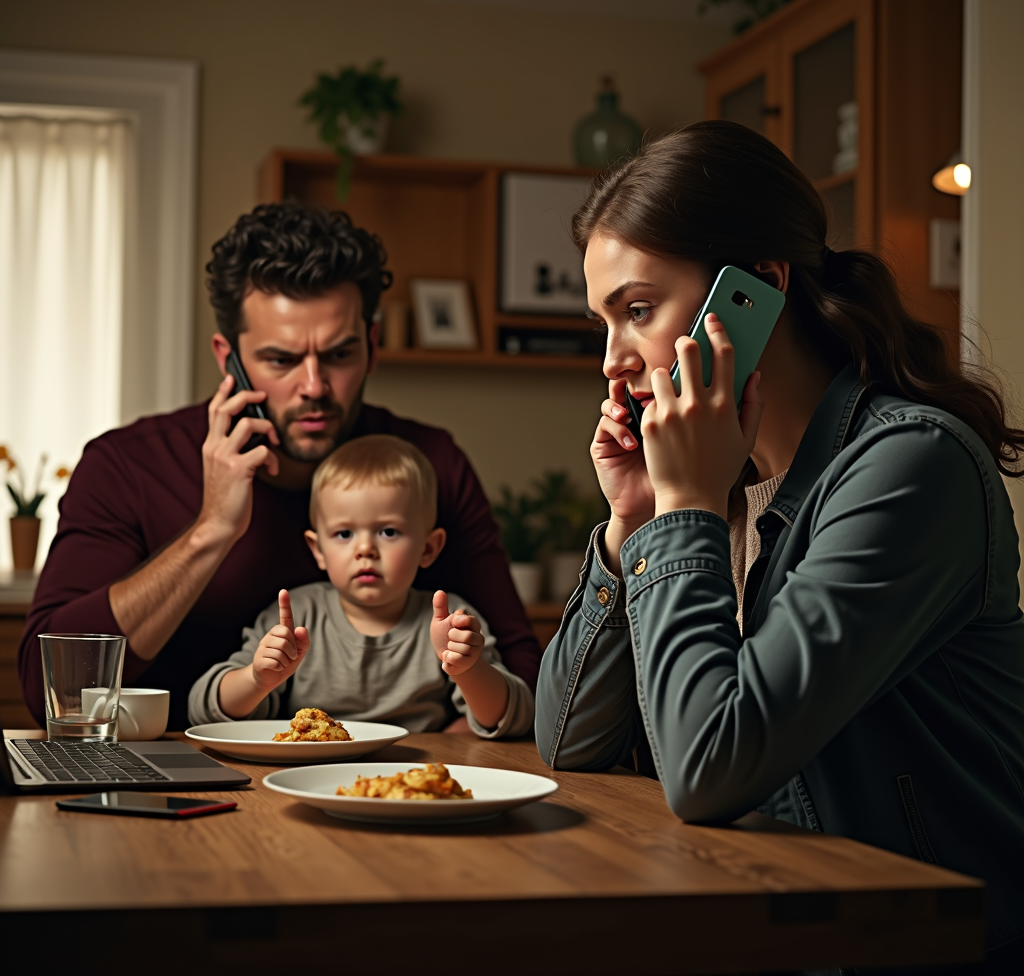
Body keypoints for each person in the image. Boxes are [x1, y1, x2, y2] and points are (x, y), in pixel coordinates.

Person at [535, 121, 1024, 969]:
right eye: (602, 324)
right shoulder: (716, 483)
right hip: (772, 922)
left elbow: (710, 770)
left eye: (638, 311)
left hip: (916, 951)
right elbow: (568, 741)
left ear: (754, 290)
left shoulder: (911, 467)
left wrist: (683, 507)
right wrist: (631, 526)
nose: (612, 361)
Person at [19, 202, 539, 731]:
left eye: (339, 355)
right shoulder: (128, 464)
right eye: (281, 360)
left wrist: (427, 764)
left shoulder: (429, 463)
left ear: (372, 347)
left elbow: (521, 671)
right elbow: (53, 692)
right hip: (168, 776)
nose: (314, 386)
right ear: (229, 358)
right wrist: (211, 530)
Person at [189, 435, 533, 737]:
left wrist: (470, 669)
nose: (365, 549)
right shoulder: (294, 617)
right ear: (318, 549)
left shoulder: (449, 621)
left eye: (388, 532)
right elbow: (204, 710)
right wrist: (256, 679)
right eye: (344, 534)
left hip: (414, 779)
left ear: (428, 548)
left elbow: (512, 719)